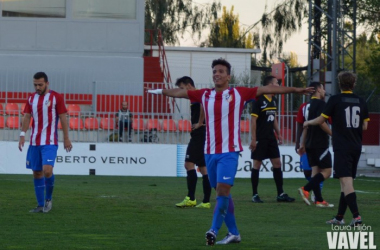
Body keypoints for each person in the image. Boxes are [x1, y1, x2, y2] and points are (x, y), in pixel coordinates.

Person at [148, 58, 313, 245]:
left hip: (230, 152)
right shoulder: (204, 95)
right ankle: (234, 233)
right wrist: (158, 91)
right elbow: (179, 92)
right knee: (222, 194)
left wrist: (297, 90)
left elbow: (269, 89)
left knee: (223, 190)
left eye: (220, 71)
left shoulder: (239, 93)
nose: (216, 74)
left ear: (228, 76)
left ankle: (213, 230)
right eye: (214, 71)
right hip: (209, 152)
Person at [303, 71, 369, 226]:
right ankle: (339, 217)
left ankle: (357, 217)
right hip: (356, 146)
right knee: (345, 183)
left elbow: (321, 120)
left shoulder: (335, 100)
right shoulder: (361, 101)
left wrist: (308, 123)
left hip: (342, 146)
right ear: (354, 84)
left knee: (346, 181)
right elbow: (365, 126)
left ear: (340, 84)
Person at [19, 72, 72, 213]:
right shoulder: (31, 98)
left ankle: (48, 199)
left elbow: (63, 118)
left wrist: (66, 138)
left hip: (49, 141)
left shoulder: (56, 97)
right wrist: (22, 134)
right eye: (35, 84)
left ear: (47, 83)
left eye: (40, 84)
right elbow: (26, 117)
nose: (37, 87)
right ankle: (40, 205)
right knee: (37, 172)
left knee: (47, 170)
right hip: (34, 142)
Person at [250, 76, 295, 203]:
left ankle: (280, 193)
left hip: (271, 138)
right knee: (257, 165)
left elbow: (273, 117)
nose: (278, 85)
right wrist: (254, 139)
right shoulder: (258, 100)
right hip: (260, 138)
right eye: (276, 83)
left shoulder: (273, 99)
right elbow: (253, 120)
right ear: (270, 85)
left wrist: (279, 133)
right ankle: (255, 194)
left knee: (277, 163)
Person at [174, 76, 212, 209]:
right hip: (202, 133)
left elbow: (204, 106)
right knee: (203, 168)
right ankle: (206, 201)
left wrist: (200, 123)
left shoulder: (197, 94)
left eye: (181, 88)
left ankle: (191, 198)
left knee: (188, 164)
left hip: (199, 134)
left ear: (188, 85)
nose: (181, 91)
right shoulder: (196, 96)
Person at [297, 82, 333, 207]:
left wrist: (302, 143)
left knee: (315, 171)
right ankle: (306, 189)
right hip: (320, 143)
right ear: (318, 90)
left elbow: (305, 125)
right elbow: (321, 122)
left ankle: (319, 200)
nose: (324, 91)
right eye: (323, 89)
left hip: (309, 144)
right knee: (327, 171)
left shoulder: (307, 106)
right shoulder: (321, 104)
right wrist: (332, 134)